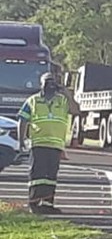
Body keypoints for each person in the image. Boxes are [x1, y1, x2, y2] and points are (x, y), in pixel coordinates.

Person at [17, 72, 78, 214]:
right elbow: (23, 120)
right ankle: (34, 203)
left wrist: (67, 94)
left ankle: (47, 204)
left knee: (50, 176)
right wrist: (21, 141)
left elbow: (76, 111)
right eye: (47, 81)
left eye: (52, 81)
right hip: (38, 144)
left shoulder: (62, 101)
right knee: (36, 175)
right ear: (41, 84)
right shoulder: (33, 100)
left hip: (55, 145)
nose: (49, 85)